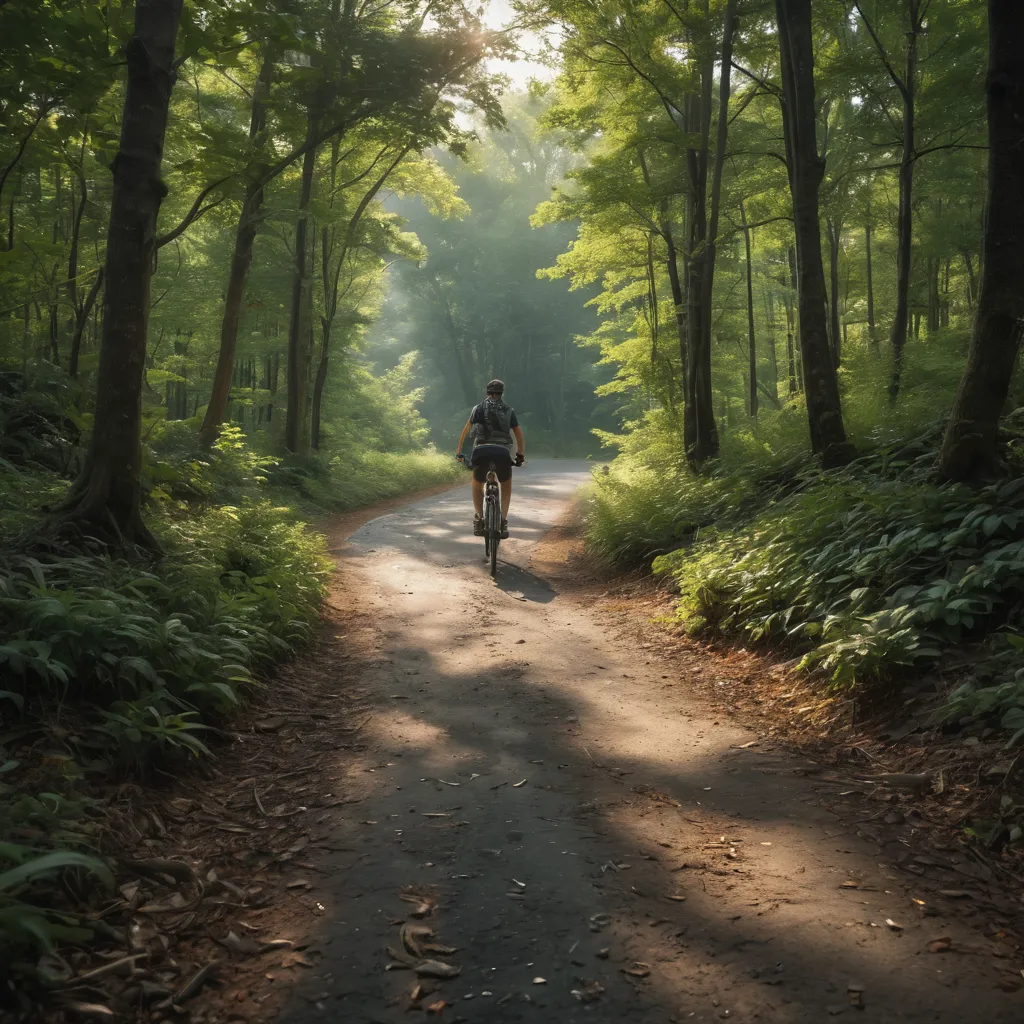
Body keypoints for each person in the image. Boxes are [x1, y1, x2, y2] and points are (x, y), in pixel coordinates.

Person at [455, 379, 525, 539]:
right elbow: (518, 434)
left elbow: (467, 430)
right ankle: (503, 521)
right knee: (506, 486)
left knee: (477, 483)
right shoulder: (509, 410)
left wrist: (459, 452)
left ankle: (479, 519)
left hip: (481, 451)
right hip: (502, 452)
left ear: (487, 392)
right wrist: (520, 455)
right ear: (502, 393)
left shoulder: (478, 408)